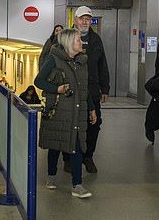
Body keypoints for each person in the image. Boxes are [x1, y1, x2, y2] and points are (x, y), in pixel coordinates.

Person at [34, 28, 97, 198]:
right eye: (77, 40)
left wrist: (91, 108)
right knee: (56, 145)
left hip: (77, 112)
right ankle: (51, 176)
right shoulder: (53, 60)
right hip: (59, 111)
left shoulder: (82, 62)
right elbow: (38, 81)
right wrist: (57, 89)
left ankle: (77, 185)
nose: (81, 43)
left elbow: (84, 90)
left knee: (76, 147)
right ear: (69, 43)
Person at [67, 5, 109, 174]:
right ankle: (68, 158)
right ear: (75, 20)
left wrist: (105, 88)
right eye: (82, 18)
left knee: (94, 124)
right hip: (71, 90)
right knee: (70, 124)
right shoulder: (66, 37)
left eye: (88, 19)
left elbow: (102, 64)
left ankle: (88, 156)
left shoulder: (96, 39)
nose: (85, 21)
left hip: (91, 90)